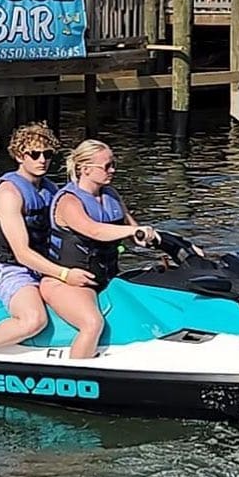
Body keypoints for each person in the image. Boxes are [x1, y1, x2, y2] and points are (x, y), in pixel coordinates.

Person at [0, 122, 95, 354]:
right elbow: (22, 253)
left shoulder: (50, 189)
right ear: (19, 156)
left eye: (47, 154)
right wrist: (65, 275)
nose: (42, 160)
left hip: (47, 267)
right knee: (34, 320)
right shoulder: (9, 194)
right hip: (11, 270)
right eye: (34, 154)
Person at [41, 140, 157, 360]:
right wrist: (132, 231)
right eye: (107, 166)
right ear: (85, 169)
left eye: (114, 164)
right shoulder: (69, 201)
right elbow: (93, 230)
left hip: (106, 277)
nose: (112, 170)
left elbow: (133, 231)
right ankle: (76, 373)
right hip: (68, 283)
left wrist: (168, 243)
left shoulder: (111, 195)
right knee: (92, 323)